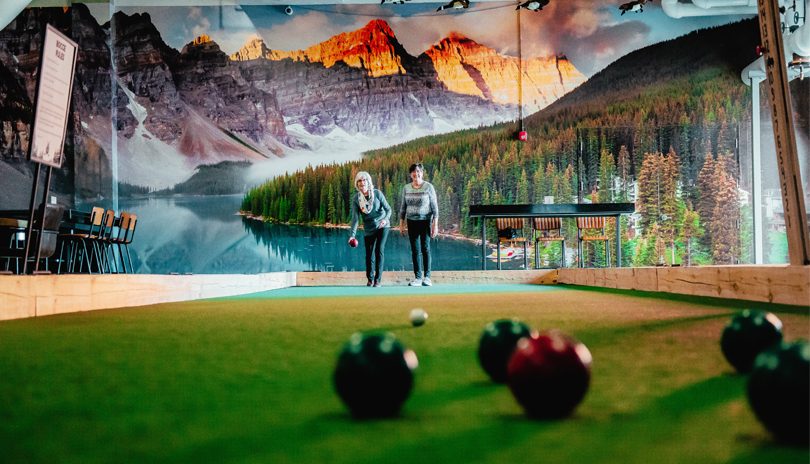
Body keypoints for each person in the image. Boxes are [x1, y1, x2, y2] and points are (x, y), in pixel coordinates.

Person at [398, 163, 439, 287]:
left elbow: (435, 207)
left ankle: (427, 277)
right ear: (411, 174)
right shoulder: (406, 188)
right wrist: (401, 224)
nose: (417, 174)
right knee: (415, 250)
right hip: (411, 222)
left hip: (425, 221)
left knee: (425, 248)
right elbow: (403, 207)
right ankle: (417, 277)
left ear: (422, 173)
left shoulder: (428, 187)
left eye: (419, 171)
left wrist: (435, 225)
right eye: (414, 172)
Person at [349, 171, 391, 287]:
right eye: (360, 181)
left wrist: (385, 220)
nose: (362, 183)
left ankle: (378, 280)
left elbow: (389, 209)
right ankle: (370, 279)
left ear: (368, 181)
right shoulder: (356, 199)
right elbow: (355, 219)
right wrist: (352, 236)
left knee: (379, 250)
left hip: (383, 225)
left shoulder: (377, 193)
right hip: (369, 228)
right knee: (369, 254)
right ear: (357, 184)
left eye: (364, 180)